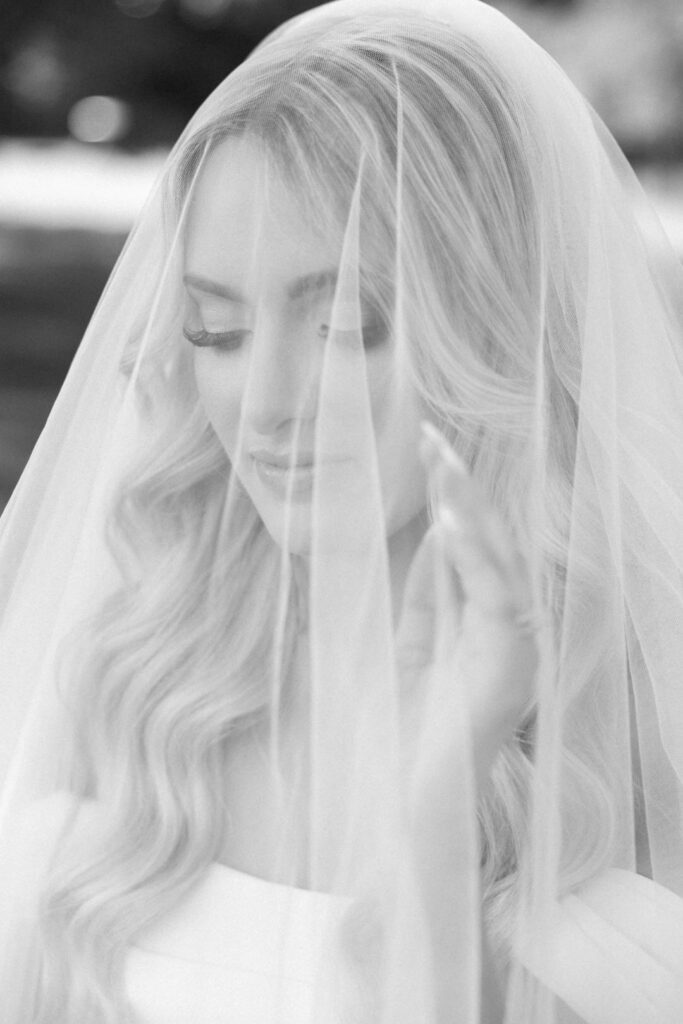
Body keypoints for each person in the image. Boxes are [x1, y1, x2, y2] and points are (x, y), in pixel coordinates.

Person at [1, 1, 682, 1021]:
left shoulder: (617, 772)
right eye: (215, 330)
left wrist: (440, 798)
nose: (267, 403)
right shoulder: (137, 707)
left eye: (344, 322)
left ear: (489, 330)